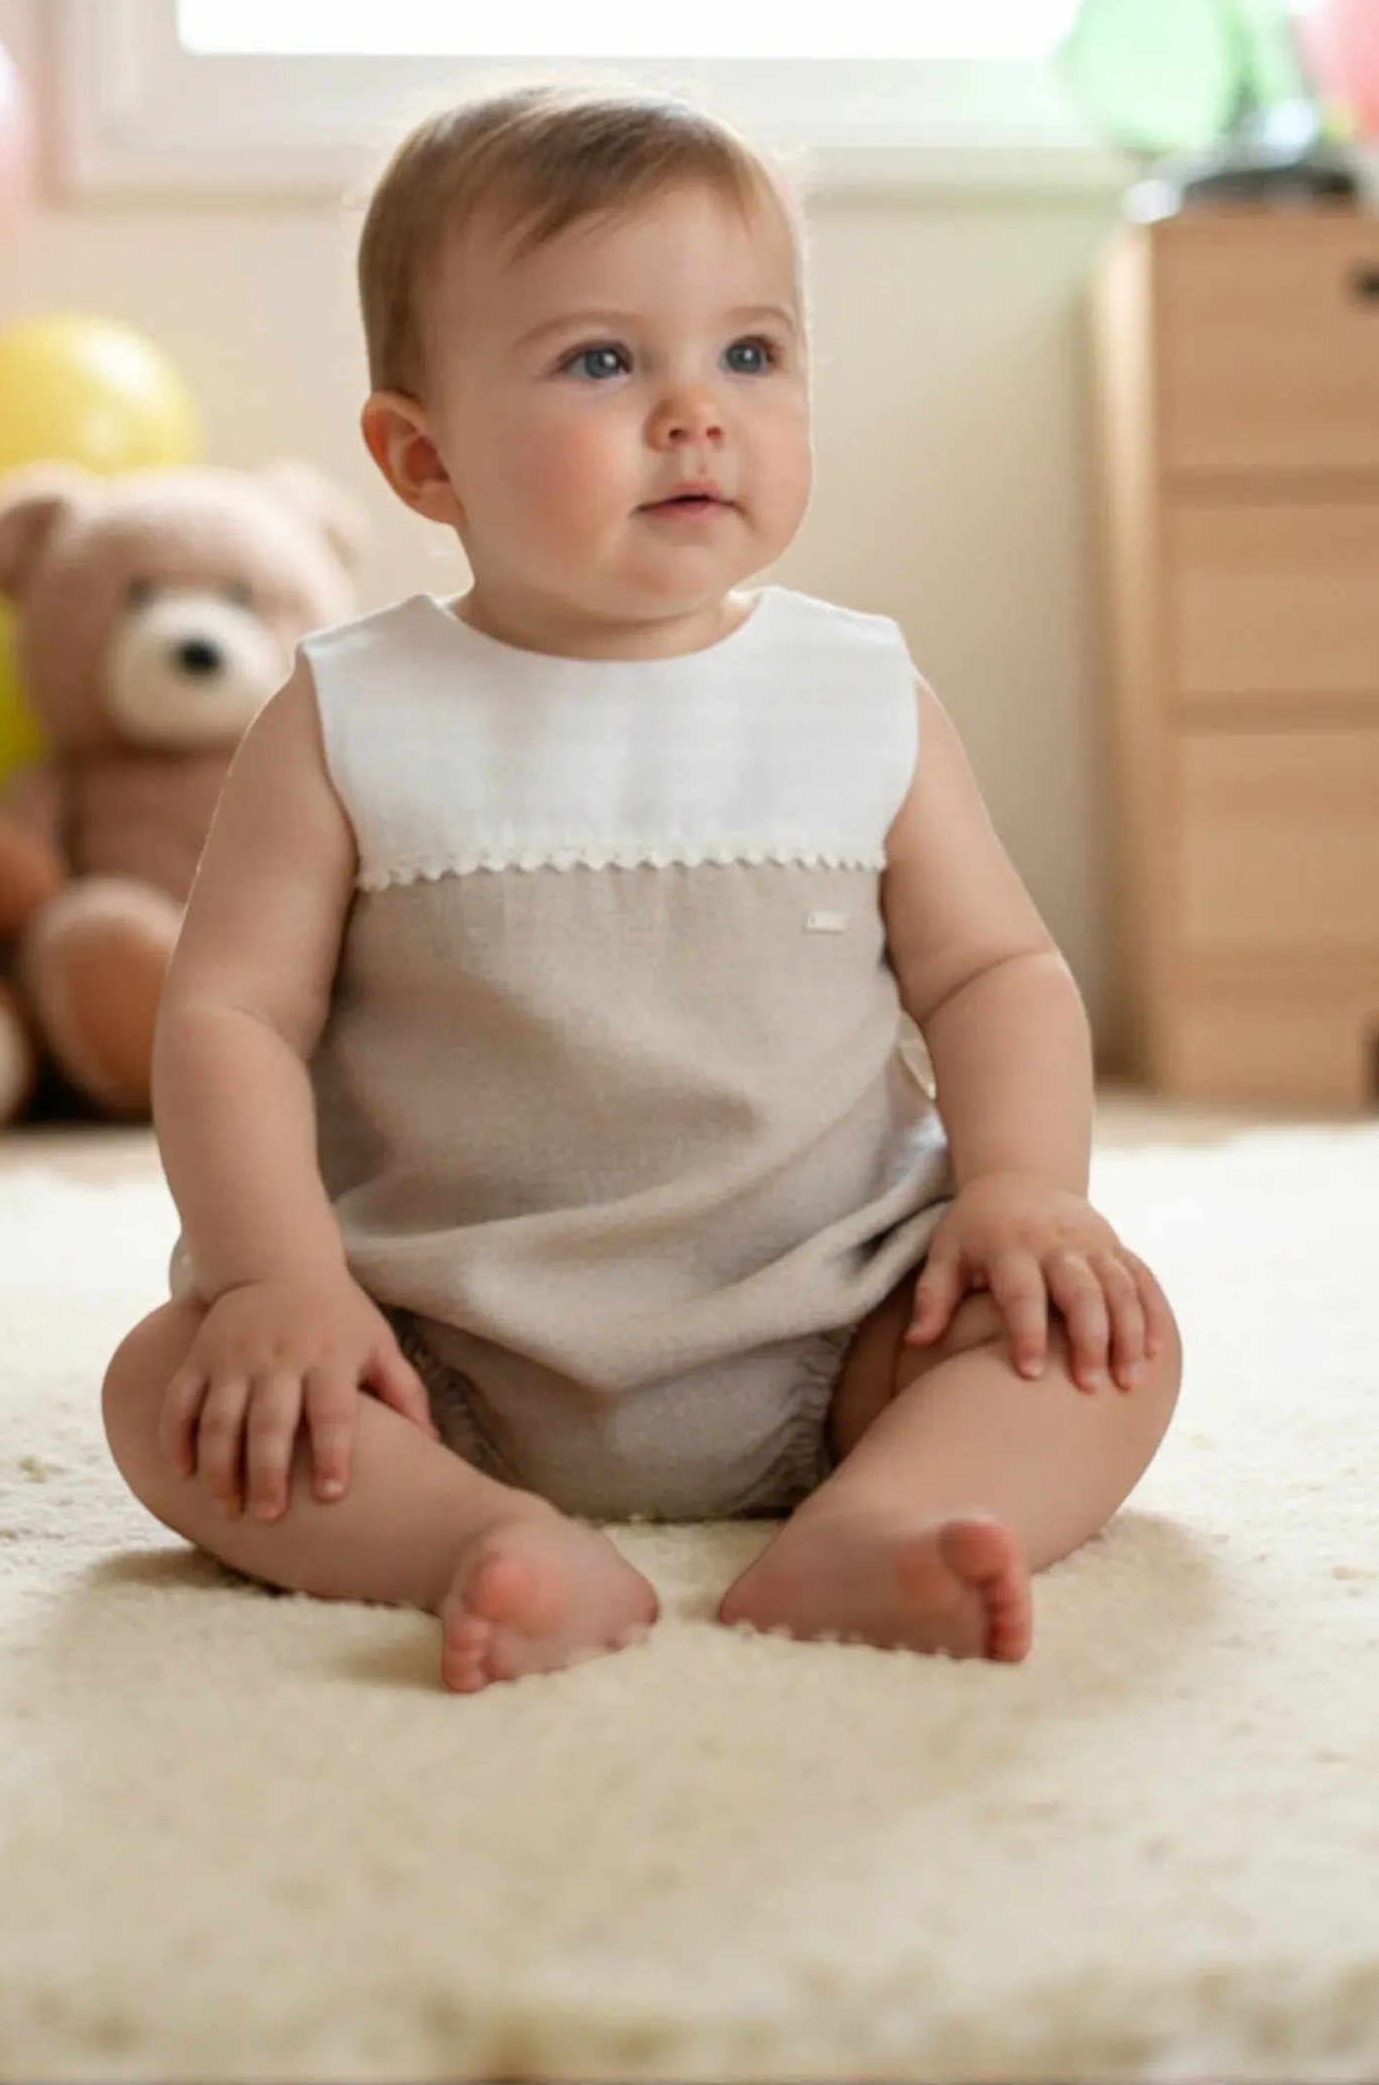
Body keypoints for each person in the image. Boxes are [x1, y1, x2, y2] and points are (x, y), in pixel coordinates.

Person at [102, 82, 1183, 1693]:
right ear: (421, 455)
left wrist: (1028, 1188)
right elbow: (233, 1015)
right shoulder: (347, 711)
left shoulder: (857, 691)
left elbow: (993, 975)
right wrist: (279, 1283)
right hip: (435, 1342)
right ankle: (474, 1538)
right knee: (170, 1390)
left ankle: (895, 1510)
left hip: (837, 1322)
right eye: (604, 361)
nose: (697, 411)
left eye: (750, 354)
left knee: (1106, 1342)